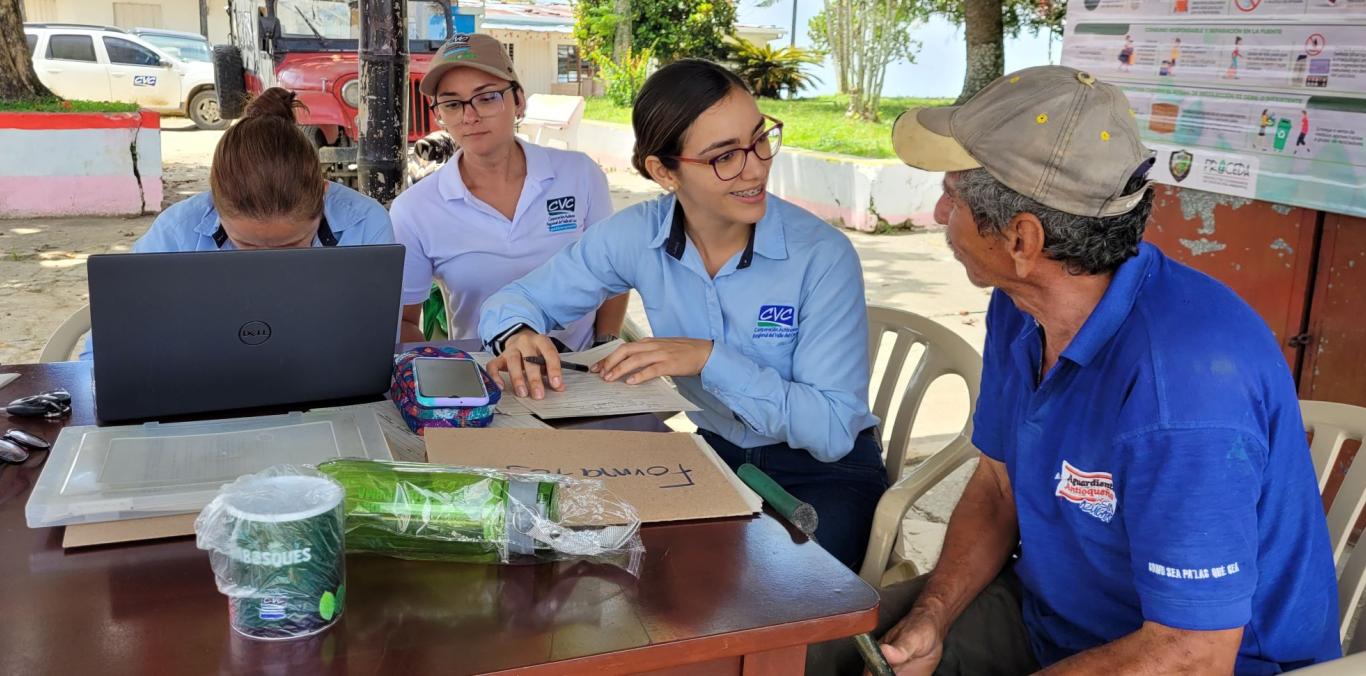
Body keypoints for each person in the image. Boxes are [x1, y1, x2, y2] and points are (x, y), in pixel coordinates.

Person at [812, 66, 1339, 674]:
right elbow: (998, 486)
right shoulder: (1020, 308)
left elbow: (1192, 652)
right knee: (818, 651)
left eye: (951, 197)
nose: (936, 214)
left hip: (1198, 661)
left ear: (1022, 240)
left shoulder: (1184, 392)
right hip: (1050, 620)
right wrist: (934, 613)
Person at [477, 59, 887, 570]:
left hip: (823, 473)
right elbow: (513, 301)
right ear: (663, 171)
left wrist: (708, 358)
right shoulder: (637, 236)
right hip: (712, 456)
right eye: (724, 156)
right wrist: (517, 334)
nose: (755, 167)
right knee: (605, 569)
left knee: (788, 599)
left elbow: (830, 429)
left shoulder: (821, 255)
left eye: (760, 139)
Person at [79, 87, 394, 360]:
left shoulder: (364, 225)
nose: (268, 266)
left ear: (323, 196)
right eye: (247, 245)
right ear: (214, 204)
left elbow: (377, 345)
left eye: (291, 246)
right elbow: (104, 352)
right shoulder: (176, 232)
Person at [389, 33, 626, 348]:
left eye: (486, 97)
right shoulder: (415, 209)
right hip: (483, 378)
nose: (469, 116)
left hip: (580, 371)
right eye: (452, 103)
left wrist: (605, 347)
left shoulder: (579, 174)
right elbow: (404, 321)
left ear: (519, 101)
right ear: (440, 115)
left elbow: (613, 274)